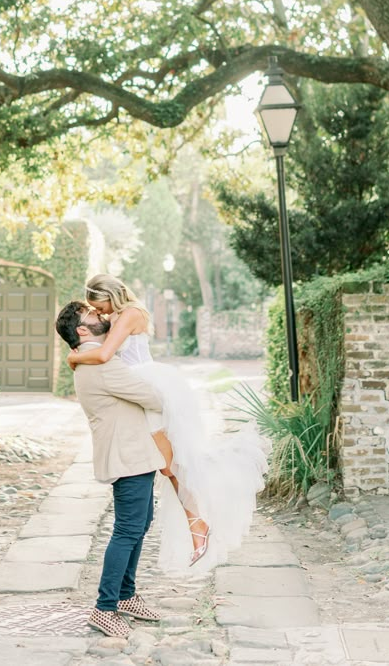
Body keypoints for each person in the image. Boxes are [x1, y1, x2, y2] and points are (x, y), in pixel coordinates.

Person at [67, 273, 268, 576]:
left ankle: (199, 522)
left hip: (149, 385)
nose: (103, 314)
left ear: (112, 296)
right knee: (168, 465)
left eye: (103, 307)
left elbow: (107, 353)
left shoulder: (131, 313)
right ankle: (197, 523)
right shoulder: (121, 315)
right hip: (141, 384)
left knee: (171, 464)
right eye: (99, 311)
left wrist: (74, 359)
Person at [55, 300, 165, 639]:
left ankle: (126, 595)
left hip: (134, 454)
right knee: (127, 530)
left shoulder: (92, 361)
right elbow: (154, 397)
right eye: (93, 315)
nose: (102, 315)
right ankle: (104, 608)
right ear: (82, 331)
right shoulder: (102, 365)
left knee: (140, 523)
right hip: (127, 455)